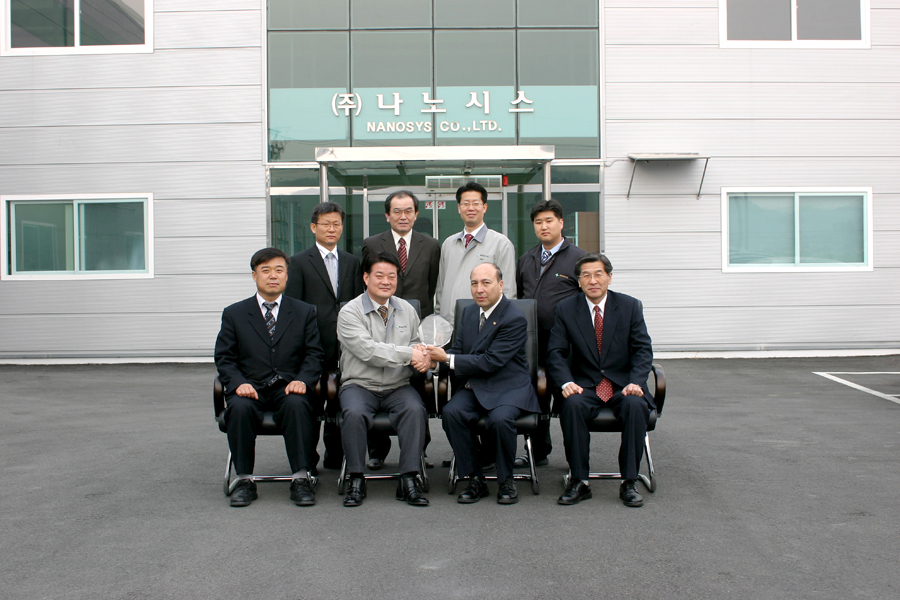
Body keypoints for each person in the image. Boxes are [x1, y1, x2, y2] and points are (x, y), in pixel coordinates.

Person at [214, 248, 324, 507]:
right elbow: (224, 357)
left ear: (286, 275)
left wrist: (303, 380)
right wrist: (238, 383)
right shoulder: (235, 313)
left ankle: (301, 478)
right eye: (266, 271)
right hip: (250, 388)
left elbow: (314, 354)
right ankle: (244, 480)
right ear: (255, 276)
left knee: (297, 405)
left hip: (288, 387)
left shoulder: (304, 311)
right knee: (239, 408)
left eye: (278, 270)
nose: (272, 276)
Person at [547, 253, 654, 507]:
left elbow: (642, 350)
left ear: (609, 277)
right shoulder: (566, 309)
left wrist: (636, 382)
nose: (592, 280)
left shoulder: (629, 306)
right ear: (579, 281)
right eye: (586, 275)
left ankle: (629, 481)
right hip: (584, 385)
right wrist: (566, 383)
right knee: (572, 404)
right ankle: (579, 481)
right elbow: (555, 353)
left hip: (623, 385)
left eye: (598, 274)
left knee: (635, 405)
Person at [427, 263, 540, 504]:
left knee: (500, 420)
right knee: (452, 413)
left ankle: (506, 480)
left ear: (500, 285)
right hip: (475, 385)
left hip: (507, 386)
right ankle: (475, 477)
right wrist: (435, 362)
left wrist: (445, 358)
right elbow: (458, 349)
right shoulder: (469, 312)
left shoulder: (514, 317)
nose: (479, 289)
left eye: (486, 283)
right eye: (474, 283)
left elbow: (491, 361)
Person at [336, 252, 431, 507]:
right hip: (359, 384)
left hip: (397, 386)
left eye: (392, 276)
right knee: (353, 413)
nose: (386, 281)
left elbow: (416, 344)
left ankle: (409, 478)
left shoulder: (407, 309)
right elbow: (368, 351)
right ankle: (356, 478)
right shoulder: (349, 312)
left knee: (415, 410)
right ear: (366, 278)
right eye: (379, 275)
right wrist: (409, 354)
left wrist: (423, 358)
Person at [361, 190, 441, 469]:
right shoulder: (372, 243)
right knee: (376, 381)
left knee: (416, 388)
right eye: (397, 211)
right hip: (379, 321)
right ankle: (377, 451)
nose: (403, 216)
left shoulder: (431, 245)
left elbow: (432, 285)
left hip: (415, 326)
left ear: (416, 214)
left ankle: (419, 450)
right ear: (387, 215)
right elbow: (366, 284)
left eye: (408, 210)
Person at [284, 202, 363, 471]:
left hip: (346, 345)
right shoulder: (298, 262)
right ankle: (308, 459)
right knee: (312, 403)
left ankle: (336, 456)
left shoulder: (352, 262)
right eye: (326, 224)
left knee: (341, 400)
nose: (331, 229)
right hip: (313, 345)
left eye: (336, 224)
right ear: (313, 227)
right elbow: (293, 308)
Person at [514, 199, 586, 468]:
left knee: (567, 397)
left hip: (565, 343)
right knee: (535, 395)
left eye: (549, 221)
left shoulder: (578, 258)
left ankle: (574, 459)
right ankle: (537, 452)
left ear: (561, 223)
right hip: (532, 342)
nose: (544, 226)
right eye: (538, 222)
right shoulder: (527, 258)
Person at [433, 182, 516, 324]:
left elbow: (507, 290)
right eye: (465, 204)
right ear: (459, 208)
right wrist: (439, 320)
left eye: (476, 203)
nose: (470, 208)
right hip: (447, 325)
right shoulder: (448, 244)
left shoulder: (501, 244)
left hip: (482, 325)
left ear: (485, 207)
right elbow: (441, 289)